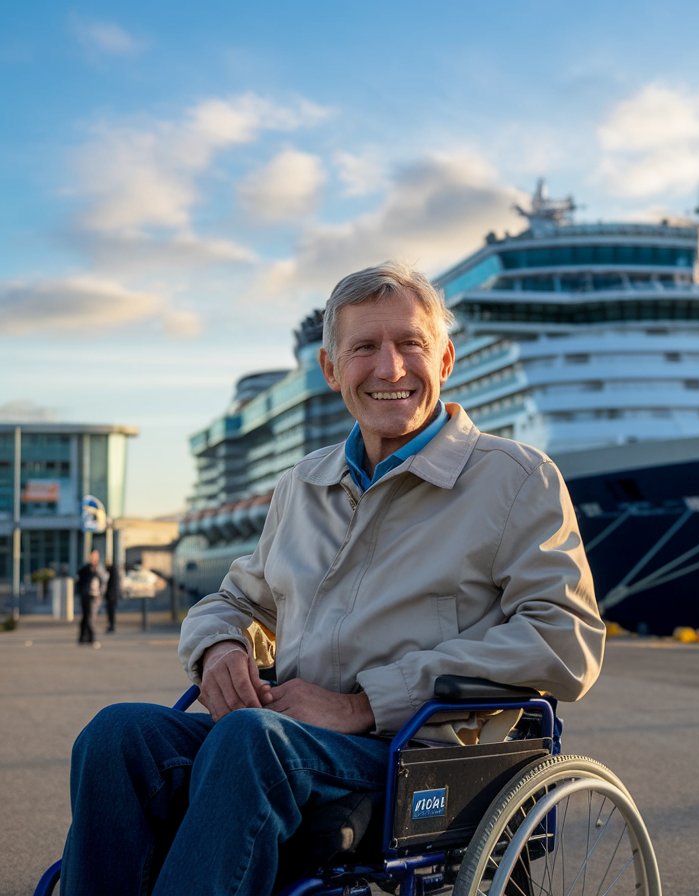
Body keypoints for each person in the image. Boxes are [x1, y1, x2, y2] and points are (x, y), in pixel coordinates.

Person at [59, 261, 604, 895]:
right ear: (330, 369)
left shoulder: (515, 479)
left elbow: (566, 641)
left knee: (249, 742)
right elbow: (235, 600)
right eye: (365, 347)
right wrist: (221, 645)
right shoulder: (302, 485)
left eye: (410, 345)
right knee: (116, 735)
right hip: (285, 741)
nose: (390, 368)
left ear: (447, 359)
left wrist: (364, 702)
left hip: (421, 758)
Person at [74, 549, 106, 645]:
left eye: (96, 556)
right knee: (87, 617)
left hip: (95, 596)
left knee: (90, 617)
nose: (94, 558)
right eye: (93, 556)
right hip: (86, 596)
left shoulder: (100, 569)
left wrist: (100, 593)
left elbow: (103, 582)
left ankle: (87, 638)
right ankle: (87, 638)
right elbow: (79, 582)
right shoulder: (85, 569)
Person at [104, 563, 122, 634]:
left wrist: (110, 595)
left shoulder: (113, 576)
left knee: (111, 612)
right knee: (111, 612)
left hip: (112, 597)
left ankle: (112, 626)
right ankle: (111, 625)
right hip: (113, 596)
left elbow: (112, 587)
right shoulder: (115, 576)